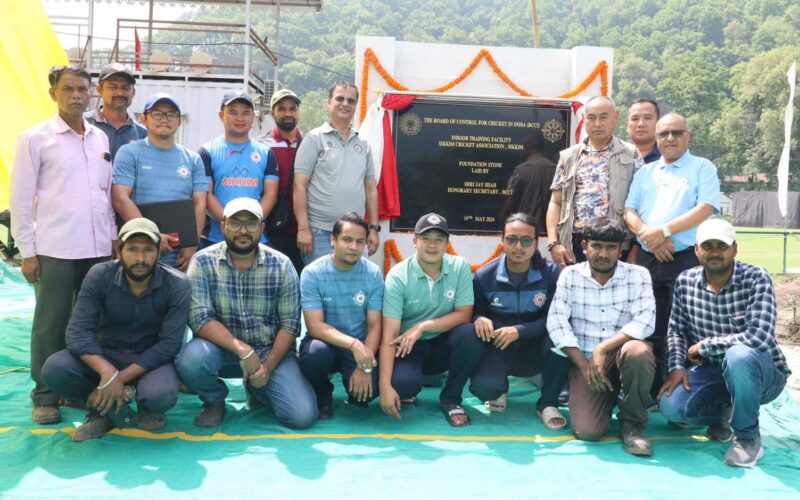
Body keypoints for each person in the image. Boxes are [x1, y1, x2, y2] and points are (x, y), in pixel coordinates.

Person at [10, 65, 115, 425]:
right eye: (68, 89)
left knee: (92, 325)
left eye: (82, 89)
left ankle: (78, 390)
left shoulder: (99, 139)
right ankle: (44, 394)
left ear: (91, 94)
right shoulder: (36, 138)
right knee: (50, 325)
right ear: (52, 92)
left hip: (98, 249)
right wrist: (27, 251)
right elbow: (21, 199)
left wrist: (113, 236)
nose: (76, 95)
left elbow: (104, 194)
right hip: (55, 249)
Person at [40, 218, 190, 441]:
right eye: (132, 249)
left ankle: (133, 405)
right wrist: (107, 373)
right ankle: (105, 412)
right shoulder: (99, 275)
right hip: (105, 354)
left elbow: (169, 344)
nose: (140, 258)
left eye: (148, 250)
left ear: (159, 251)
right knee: (54, 369)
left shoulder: (177, 284)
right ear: (119, 250)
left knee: (161, 395)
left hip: (149, 359)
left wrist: (117, 379)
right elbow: (77, 333)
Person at [658, 219, 791, 468]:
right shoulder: (685, 281)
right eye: (708, 245)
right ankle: (720, 416)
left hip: (763, 373)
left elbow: (759, 337)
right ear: (697, 250)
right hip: (713, 371)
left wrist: (704, 347)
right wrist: (676, 367)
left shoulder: (756, 278)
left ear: (735, 249)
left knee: (739, 356)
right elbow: (677, 330)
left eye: (722, 245)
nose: (715, 252)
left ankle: (747, 437)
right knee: (671, 407)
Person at [176, 197, 317, 429]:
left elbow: (290, 325)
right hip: (220, 350)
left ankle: (257, 385)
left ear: (262, 228)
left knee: (301, 416)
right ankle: (214, 400)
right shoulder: (202, 262)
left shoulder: (281, 264)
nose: (243, 230)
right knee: (190, 360)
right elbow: (200, 318)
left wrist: (268, 367)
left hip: (269, 352)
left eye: (251, 223)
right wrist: (243, 351)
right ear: (222, 226)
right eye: (235, 223)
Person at [624, 112, 720, 398]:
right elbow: (629, 211)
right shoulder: (645, 172)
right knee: (649, 324)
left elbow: (706, 207)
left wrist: (663, 232)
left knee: (685, 327)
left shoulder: (702, 167)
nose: (669, 139)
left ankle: (687, 393)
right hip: (648, 258)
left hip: (686, 259)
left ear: (688, 136)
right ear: (657, 138)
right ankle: (651, 392)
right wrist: (650, 239)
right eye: (664, 134)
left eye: (676, 133)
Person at [547, 218, 656, 456]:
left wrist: (602, 349)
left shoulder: (638, 275)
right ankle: (606, 398)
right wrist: (584, 364)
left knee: (638, 351)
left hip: (622, 356)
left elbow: (645, 321)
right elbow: (556, 322)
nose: (603, 254)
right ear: (584, 246)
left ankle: (633, 422)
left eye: (611, 247)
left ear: (621, 249)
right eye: (597, 246)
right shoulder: (570, 276)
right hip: (585, 363)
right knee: (588, 431)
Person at [467, 213, 571, 428]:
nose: (518, 247)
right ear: (502, 240)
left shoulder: (552, 274)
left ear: (536, 243)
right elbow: (475, 312)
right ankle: (498, 390)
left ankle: (548, 403)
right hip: (499, 347)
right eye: (512, 239)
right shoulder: (484, 276)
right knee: (484, 388)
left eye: (525, 240)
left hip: (538, 347)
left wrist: (520, 330)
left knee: (560, 340)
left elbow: (556, 318)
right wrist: (479, 319)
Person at [379, 213, 482, 427]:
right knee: (402, 385)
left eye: (439, 239)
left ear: (447, 244)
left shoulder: (460, 267)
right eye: (426, 239)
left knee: (470, 334)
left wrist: (423, 326)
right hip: (408, 347)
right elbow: (389, 335)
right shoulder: (398, 275)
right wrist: (384, 387)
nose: (432, 245)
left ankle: (451, 398)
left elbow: (464, 313)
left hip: (444, 343)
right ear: (414, 241)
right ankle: (410, 387)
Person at [298, 212, 384, 419]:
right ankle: (323, 394)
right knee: (314, 354)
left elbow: (374, 326)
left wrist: (364, 367)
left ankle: (354, 388)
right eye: (347, 240)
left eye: (359, 241)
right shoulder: (312, 273)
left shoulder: (373, 273)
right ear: (333, 240)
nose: (353, 247)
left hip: (360, 345)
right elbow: (314, 326)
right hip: (325, 342)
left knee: (367, 394)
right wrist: (354, 345)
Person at [112, 92, 207, 270]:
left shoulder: (193, 159)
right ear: (143, 119)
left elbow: (200, 203)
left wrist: (192, 244)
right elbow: (120, 198)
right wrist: (152, 235)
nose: (164, 119)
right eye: (157, 113)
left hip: (179, 255)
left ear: (179, 121)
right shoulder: (129, 153)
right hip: (139, 249)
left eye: (171, 114)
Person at [293, 82, 379, 264]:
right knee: (320, 288)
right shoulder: (314, 139)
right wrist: (303, 228)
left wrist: (373, 229)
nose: (345, 104)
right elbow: (299, 185)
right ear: (329, 102)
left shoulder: (363, 143)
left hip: (355, 233)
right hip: (319, 234)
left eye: (351, 100)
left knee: (354, 289)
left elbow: (371, 189)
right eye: (340, 98)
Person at [546, 96, 635, 268]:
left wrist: (636, 248)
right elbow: (555, 202)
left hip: (615, 245)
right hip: (575, 245)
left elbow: (640, 204)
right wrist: (553, 242)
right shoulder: (569, 157)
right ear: (584, 120)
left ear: (615, 117)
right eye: (592, 117)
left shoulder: (630, 155)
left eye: (603, 117)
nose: (597, 123)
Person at [199, 89, 278, 247]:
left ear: (253, 117)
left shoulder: (266, 153)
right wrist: (231, 225)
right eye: (233, 112)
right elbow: (206, 195)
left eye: (245, 113)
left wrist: (250, 227)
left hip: (256, 239)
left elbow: (270, 195)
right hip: (215, 239)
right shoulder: (206, 151)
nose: (240, 118)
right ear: (221, 116)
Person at [257, 88, 305, 273]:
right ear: (272, 113)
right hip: (270, 230)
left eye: (292, 109)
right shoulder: (261, 145)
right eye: (282, 109)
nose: (288, 113)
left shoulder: (310, 143)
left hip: (303, 231)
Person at [85, 63, 147, 161]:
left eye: (125, 88)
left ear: (133, 92)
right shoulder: (83, 124)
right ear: (99, 90)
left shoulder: (142, 133)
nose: (120, 93)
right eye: (113, 87)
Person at [500, 129, 557, 235]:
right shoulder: (557, 170)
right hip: (551, 231)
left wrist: (503, 225)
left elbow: (509, 203)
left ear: (526, 146)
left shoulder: (519, 171)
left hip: (524, 230)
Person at [626, 98, 660, 172]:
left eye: (647, 118)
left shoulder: (668, 157)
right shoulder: (617, 156)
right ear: (627, 126)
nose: (641, 124)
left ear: (658, 124)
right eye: (635, 119)